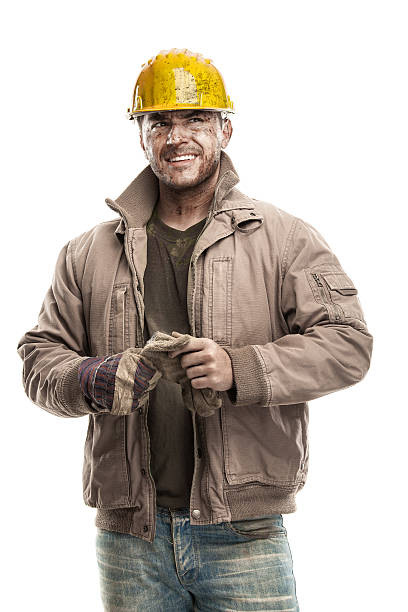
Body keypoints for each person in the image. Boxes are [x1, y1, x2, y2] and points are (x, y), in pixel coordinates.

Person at [17, 48, 373, 611]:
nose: (176, 136)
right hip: (130, 538)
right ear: (141, 136)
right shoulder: (87, 252)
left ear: (225, 130)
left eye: (195, 120)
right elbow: (40, 358)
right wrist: (97, 378)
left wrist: (242, 368)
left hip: (244, 533)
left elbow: (348, 344)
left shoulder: (285, 238)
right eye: (160, 122)